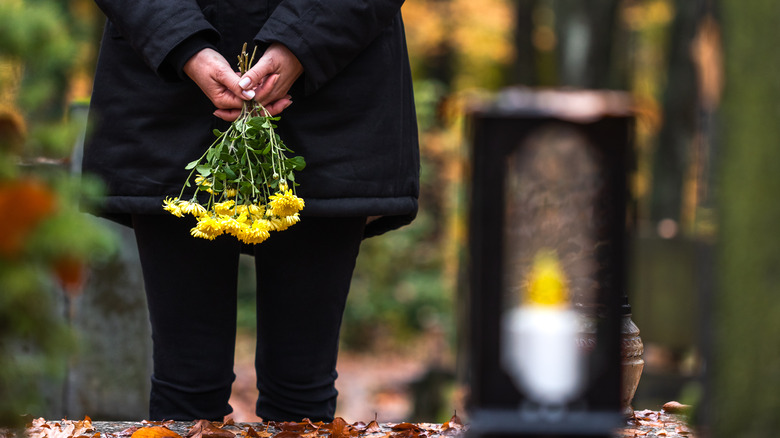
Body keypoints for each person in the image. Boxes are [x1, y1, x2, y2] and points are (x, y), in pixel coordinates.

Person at [83, 0, 419, 422]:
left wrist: (302, 44)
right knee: (186, 384)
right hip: (168, 90)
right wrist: (185, 47)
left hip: (334, 84)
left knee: (300, 391)